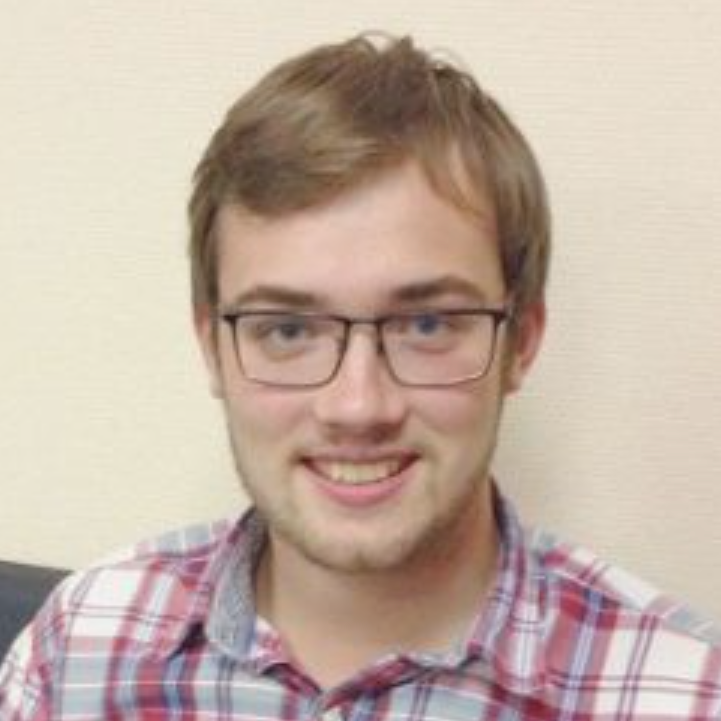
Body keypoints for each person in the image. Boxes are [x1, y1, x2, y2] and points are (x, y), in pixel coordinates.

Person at [1, 32, 720, 720]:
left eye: (427, 324)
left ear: (520, 343)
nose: (356, 405)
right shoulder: (77, 650)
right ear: (211, 349)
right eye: (287, 329)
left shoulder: (685, 693)